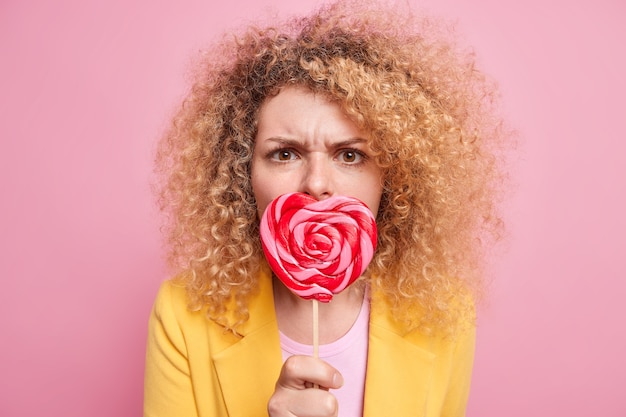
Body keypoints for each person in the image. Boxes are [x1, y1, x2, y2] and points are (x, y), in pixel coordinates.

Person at [144, 1, 508, 416]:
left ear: (394, 175)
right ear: (241, 171)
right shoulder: (183, 314)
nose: (316, 182)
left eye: (350, 156)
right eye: (285, 154)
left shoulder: (443, 315)